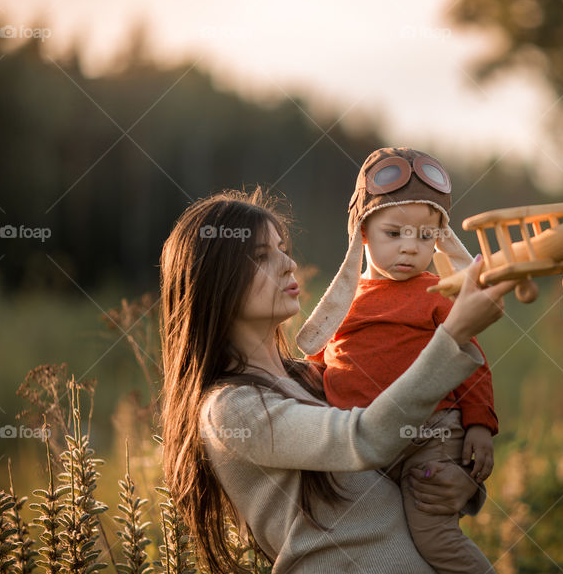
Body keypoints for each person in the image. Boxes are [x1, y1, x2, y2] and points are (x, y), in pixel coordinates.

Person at [159, 188, 517, 573]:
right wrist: (453, 334)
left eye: (283, 248)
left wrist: (454, 480)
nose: (289, 264)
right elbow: (362, 438)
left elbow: (394, 455)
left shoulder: (318, 378)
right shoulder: (230, 409)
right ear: (216, 282)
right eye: (263, 256)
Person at [297, 147, 497, 573]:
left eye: (426, 237)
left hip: (429, 439)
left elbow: (471, 358)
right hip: (361, 446)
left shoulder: (438, 293)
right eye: (395, 233)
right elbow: (316, 366)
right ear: (363, 234)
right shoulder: (344, 303)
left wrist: (480, 425)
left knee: (434, 539)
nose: (411, 248)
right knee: (380, 542)